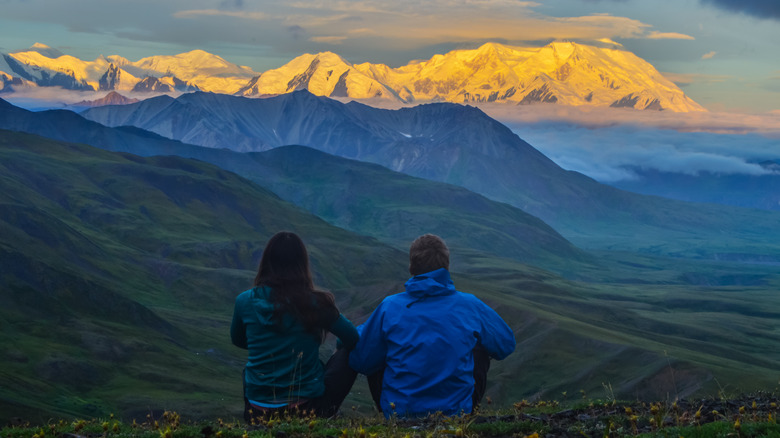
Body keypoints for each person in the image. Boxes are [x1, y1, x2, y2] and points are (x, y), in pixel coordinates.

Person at [349, 234, 515, 418]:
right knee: (479, 346)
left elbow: (361, 362)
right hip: (456, 413)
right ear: (447, 266)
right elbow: (505, 345)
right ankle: (464, 409)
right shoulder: (469, 305)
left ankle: (393, 413)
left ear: (412, 267)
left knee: (379, 347)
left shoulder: (390, 306)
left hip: (400, 414)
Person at [230, 231, 358, 422]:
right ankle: (327, 413)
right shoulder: (316, 302)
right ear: (302, 265)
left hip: (256, 411)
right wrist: (338, 347)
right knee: (349, 353)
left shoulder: (244, 301)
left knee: (250, 370)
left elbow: (238, 340)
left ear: (266, 262)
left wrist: (269, 345)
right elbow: (352, 338)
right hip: (307, 408)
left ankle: (256, 416)